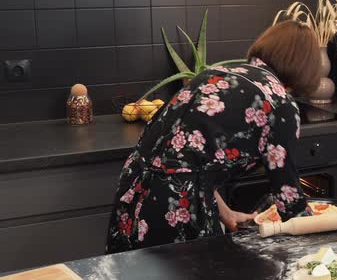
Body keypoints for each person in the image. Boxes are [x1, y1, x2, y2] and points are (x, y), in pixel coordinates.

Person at [106, 21, 323, 253]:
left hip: (134, 189)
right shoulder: (279, 102)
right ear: (305, 67)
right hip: (176, 206)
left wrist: (225, 213)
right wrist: (320, 242)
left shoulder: (216, 74)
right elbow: (287, 193)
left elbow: (187, 162)